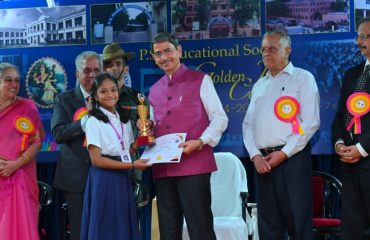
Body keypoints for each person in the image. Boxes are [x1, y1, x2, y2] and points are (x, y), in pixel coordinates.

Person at [147, 32, 228, 240]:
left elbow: (220, 118)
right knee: (168, 231)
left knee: (200, 229)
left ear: (179, 51)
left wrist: (201, 142)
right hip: (163, 168)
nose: (163, 57)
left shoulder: (201, 80)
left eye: (167, 51)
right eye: (158, 54)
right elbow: (152, 128)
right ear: (154, 58)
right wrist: (146, 126)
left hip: (194, 164)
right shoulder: (154, 90)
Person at [242, 29, 320, 240]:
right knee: (268, 225)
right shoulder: (259, 85)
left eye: (272, 49)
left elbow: (310, 123)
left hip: (292, 160)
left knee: (298, 222)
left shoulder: (303, 78)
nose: (266, 53)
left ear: (287, 51)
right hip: (263, 163)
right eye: (263, 49)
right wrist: (255, 155)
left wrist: (284, 153)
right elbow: (248, 124)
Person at [80, 72, 150, 240]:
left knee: (122, 225)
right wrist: (133, 166)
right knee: (105, 226)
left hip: (122, 176)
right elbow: (96, 160)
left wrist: (143, 136)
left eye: (113, 90)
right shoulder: (93, 122)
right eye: (103, 91)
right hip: (103, 178)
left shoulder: (124, 119)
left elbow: (127, 152)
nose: (110, 94)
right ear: (95, 95)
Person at [51, 51, 102, 240]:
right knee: (81, 232)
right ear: (77, 74)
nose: (92, 75)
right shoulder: (63, 99)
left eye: (97, 70)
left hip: (107, 174)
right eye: (87, 70)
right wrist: (85, 120)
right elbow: (58, 133)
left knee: (105, 229)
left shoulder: (111, 97)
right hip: (76, 177)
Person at [332, 17, 370, 240]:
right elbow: (339, 116)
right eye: (358, 36)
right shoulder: (352, 74)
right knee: (353, 227)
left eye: (364, 36)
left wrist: (362, 148)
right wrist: (339, 143)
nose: (358, 41)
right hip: (349, 163)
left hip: (365, 156)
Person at [0, 63, 45, 240]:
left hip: (20, 180)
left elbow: (37, 141)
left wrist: (16, 164)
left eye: (17, 80)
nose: (14, 84)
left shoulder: (27, 107)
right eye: (8, 80)